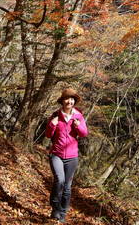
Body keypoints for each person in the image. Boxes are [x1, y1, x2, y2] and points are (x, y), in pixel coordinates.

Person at [45, 87, 89, 222]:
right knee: (59, 180)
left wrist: (78, 126)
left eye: (72, 99)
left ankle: (62, 213)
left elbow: (84, 133)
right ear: (62, 101)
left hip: (72, 157)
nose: (69, 101)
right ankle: (55, 207)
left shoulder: (78, 116)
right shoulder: (55, 116)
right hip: (57, 154)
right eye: (66, 99)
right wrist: (52, 125)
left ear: (74, 101)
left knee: (67, 188)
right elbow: (47, 135)